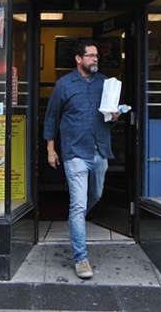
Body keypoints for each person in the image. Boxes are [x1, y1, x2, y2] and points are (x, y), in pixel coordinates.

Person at [43, 39, 120, 280]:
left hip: (99, 150)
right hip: (75, 153)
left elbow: (110, 116)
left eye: (97, 56)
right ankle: (81, 258)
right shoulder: (64, 85)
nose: (95, 59)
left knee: (95, 195)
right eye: (91, 56)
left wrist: (115, 115)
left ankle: (76, 221)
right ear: (79, 59)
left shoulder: (106, 83)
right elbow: (51, 118)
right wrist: (51, 149)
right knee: (77, 205)